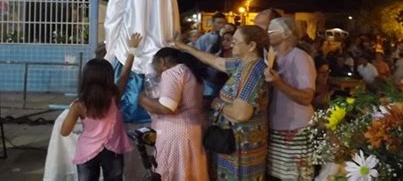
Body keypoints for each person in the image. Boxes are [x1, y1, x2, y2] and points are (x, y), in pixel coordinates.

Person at [174, 25, 270, 180]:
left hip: (241, 145)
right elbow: (217, 62)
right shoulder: (244, 63)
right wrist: (185, 47)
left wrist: (217, 104)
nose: (232, 43)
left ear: (251, 46)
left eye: (236, 41)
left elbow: (241, 113)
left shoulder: (253, 71)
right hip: (232, 140)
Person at [60, 33, 142, 181]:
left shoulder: (79, 105)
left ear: (85, 78)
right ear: (109, 78)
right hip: (113, 150)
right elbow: (124, 74)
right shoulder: (114, 96)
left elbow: (65, 131)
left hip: (87, 150)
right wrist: (132, 49)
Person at [138, 48, 209, 181]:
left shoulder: (173, 73)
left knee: (171, 174)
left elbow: (167, 108)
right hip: (190, 131)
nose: (156, 71)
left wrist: (142, 99)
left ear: (162, 62)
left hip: (175, 135)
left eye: (155, 65)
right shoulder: (190, 72)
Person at [264, 17, 316, 180]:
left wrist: (278, 82)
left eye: (271, 30)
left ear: (286, 34)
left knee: (294, 176)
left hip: (295, 127)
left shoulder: (300, 58)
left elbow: (306, 97)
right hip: (277, 126)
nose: (267, 34)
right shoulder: (273, 57)